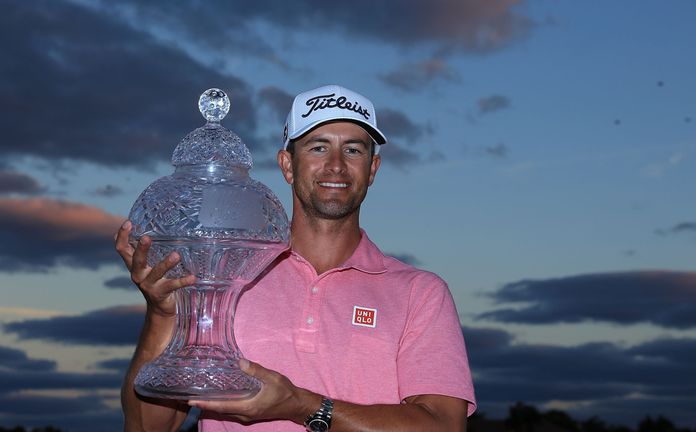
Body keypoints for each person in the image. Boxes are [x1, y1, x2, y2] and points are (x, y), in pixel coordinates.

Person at [115, 84, 476, 431]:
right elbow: (147, 428)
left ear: (373, 169)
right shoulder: (227, 272)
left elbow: (443, 425)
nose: (336, 165)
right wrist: (163, 314)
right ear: (287, 165)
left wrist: (302, 405)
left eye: (353, 150)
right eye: (318, 148)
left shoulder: (420, 293)